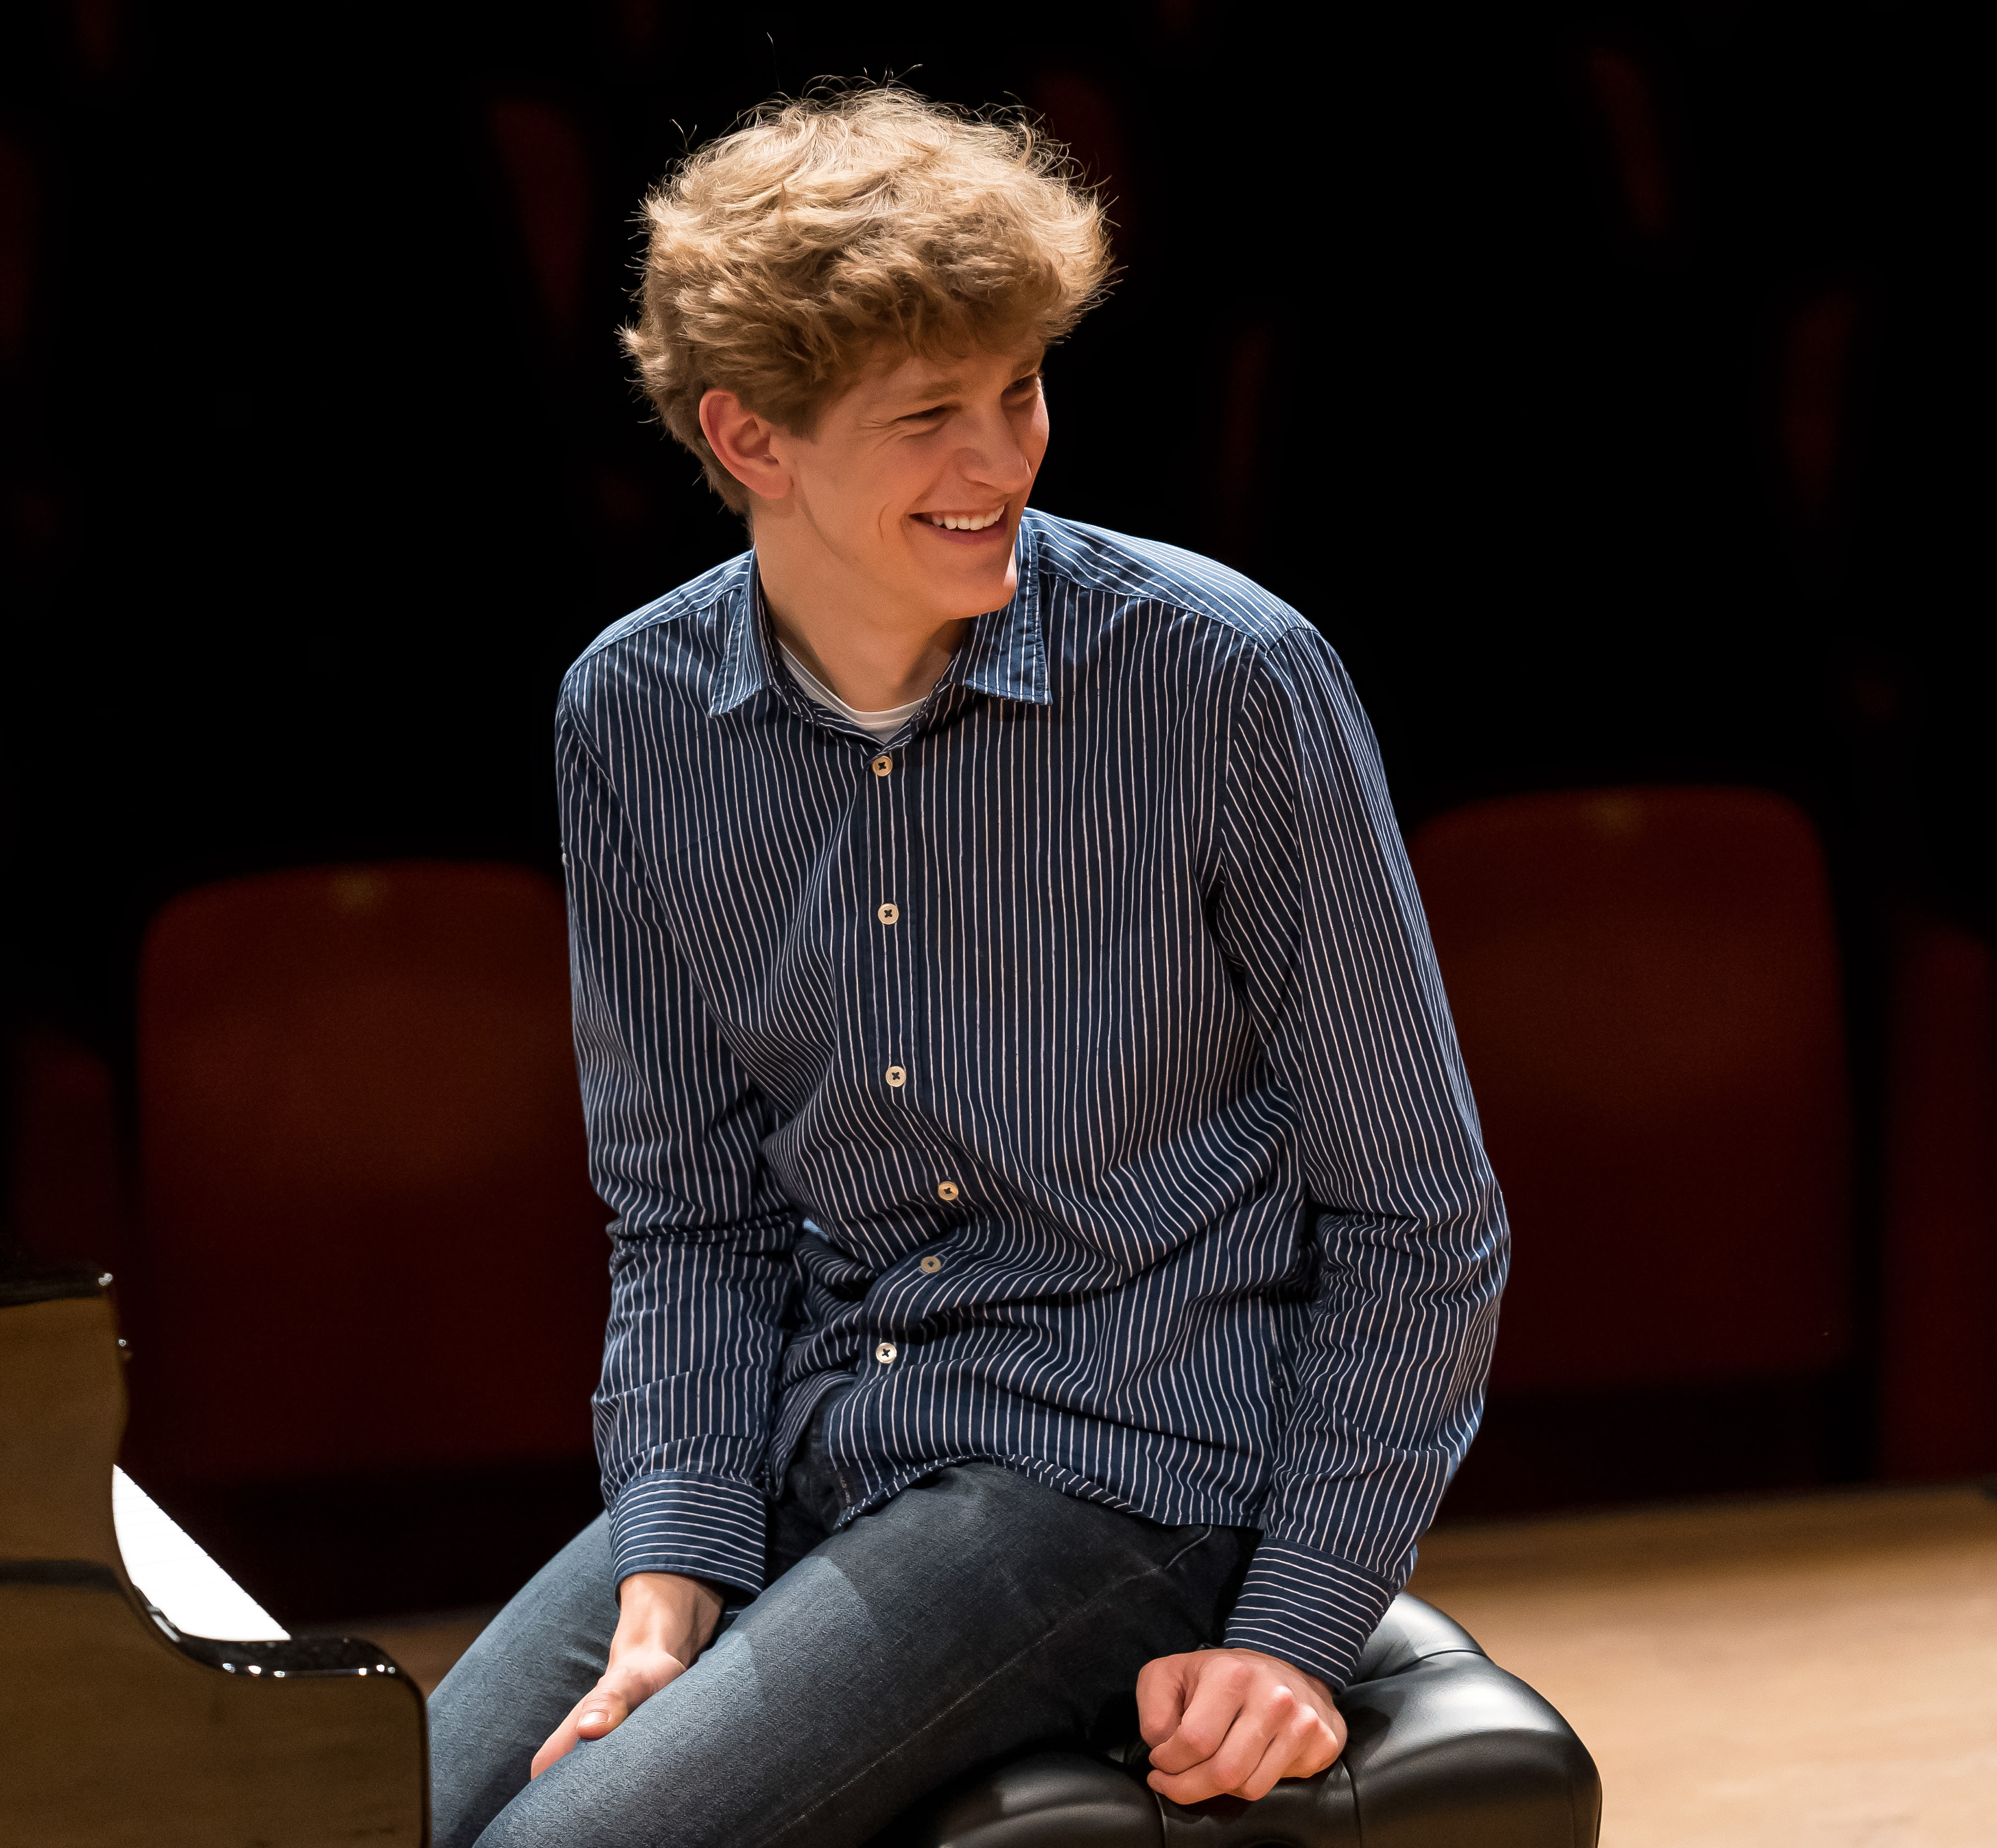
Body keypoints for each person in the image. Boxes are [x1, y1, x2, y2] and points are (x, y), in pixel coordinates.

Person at [428, 85, 1507, 1848]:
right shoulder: (630, 712)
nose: (1001, 460)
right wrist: (675, 1560)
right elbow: (687, 1213)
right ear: (750, 438)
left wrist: (1301, 1618)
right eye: (929, 415)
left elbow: (1420, 1213)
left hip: (1119, 1460)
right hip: (815, 1428)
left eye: (1019, 390)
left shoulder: (1224, 679)